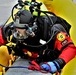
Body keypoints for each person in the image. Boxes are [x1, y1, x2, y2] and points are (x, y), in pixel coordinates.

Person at [0, 0, 76, 75]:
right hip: (27, 56)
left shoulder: (51, 30)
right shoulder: (12, 29)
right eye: (17, 30)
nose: (18, 34)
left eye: (21, 31)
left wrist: (57, 63)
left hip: (47, 59)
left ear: (32, 28)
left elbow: (70, 48)